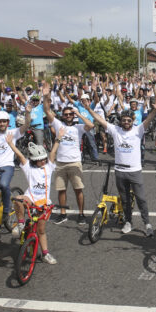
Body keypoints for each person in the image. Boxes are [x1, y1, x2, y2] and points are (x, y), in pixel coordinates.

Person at [84, 97, 156, 236]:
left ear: (132, 121)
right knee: (124, 200)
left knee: (141, 198)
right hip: (119, 171)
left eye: (128, 120)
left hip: (135, 171)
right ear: (121, 120)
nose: (126, 122)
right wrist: (88, 109)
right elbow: (100, 120)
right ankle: (128, 222)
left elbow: (149, 119)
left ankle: (147, 223)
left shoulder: (138, 130)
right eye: (124, 120)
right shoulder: (115, 130)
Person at [44, 86, 93, 225]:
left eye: (70, 114)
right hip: (60, 163)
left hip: (75, 162)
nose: (68, 116)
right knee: (61, 190)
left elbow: (91, 125)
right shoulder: (59, 125)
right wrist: (45, 96)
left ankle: (81, 214)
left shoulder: (78, 128)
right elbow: (47, 110)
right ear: (63, 116)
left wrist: (78, 114)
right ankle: (63, 214)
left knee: (78, 189)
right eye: (66, 114)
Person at [9, 135, 62, 265]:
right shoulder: (29, 168)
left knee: (41, 230)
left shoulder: (48, 167)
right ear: (33, 160)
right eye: (39, 160)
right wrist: (11, 144)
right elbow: (20, 156)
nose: (43, 161)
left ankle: (45, 254)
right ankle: (21, 223)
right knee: (17, 200)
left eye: (44, 159)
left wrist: (58, 139)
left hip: (44, 203)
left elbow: (53, 152)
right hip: (31, 198)